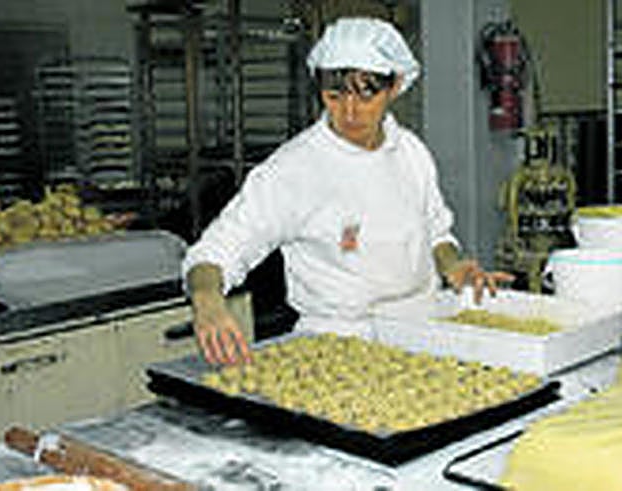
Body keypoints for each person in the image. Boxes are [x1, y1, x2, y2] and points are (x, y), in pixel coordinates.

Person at [183, 17, 512, 365]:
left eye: (366, 95)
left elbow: (436, 233)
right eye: (334, 95)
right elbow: (213, 253)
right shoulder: (295, 169)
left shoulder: (410, 152)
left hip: (424, 335)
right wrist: (208, 302)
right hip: (337, 345)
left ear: (395, 86)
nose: (350, 112)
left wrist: (454, 265)